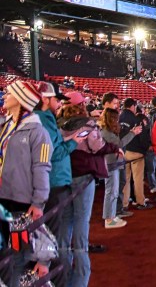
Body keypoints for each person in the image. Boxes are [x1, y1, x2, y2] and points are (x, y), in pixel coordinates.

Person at [59, 91, 120, 287]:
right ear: (81, 105)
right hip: (84, 175)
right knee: (81, 218)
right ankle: (80, 258)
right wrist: (114, 148)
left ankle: (63, 260)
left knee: (66, 219)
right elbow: (97, 146)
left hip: (64, 174)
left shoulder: (58, 123)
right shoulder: (86, 123)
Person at [0, 81, 52, 284]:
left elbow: (42, 167)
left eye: (9, 93)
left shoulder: (38, 132)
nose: (5, 95)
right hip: (3, 197)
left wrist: (38, 202)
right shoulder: (6, 127)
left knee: (17, 255)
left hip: (21, 201)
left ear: (21, 100)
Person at [36, 81, 85, 287]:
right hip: (54, 183)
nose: (59, 104)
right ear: (46, 99)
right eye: (56, 100)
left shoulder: (42, 118)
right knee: (55, 237)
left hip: (51, 182)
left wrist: (68, 139)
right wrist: (74, 142)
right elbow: (54, 153)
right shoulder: (44, 118)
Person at [99, 108, 140, 228]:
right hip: (111, 163)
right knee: (111, 191)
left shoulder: (108, 130)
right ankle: (109, 219)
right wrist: (133, 133)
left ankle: (113, 214)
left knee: (115, 189)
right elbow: (119, 144)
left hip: (115, 162)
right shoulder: (106, 132)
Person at [118, 98, 152, 211]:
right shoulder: (136, 119)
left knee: (125, 179)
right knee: (138, 178)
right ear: (133, 106)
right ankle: (140, 202)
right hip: (136, 152)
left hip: (123, 152)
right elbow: (142, 137)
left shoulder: (119, 117)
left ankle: (124, 204)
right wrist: (146, 149)